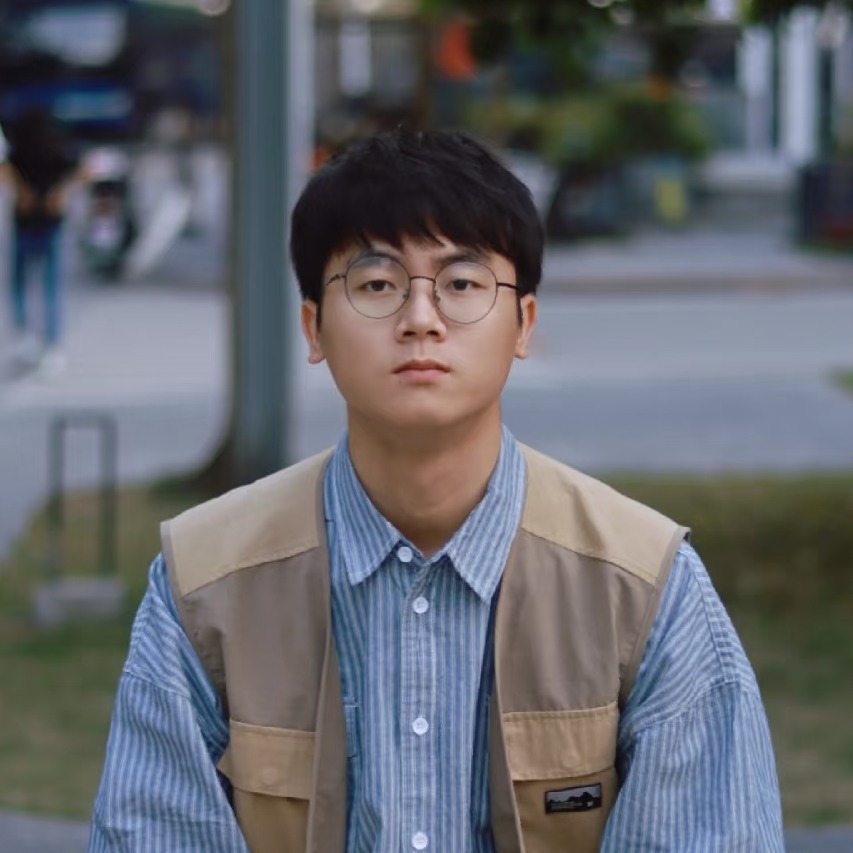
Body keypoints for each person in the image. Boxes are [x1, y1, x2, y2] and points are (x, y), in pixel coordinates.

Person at [88, 129, 784, 852]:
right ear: (313, 327)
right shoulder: (204, 585)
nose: (420, 320)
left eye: (461, 284)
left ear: (523, 324)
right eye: (377, 285)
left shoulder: (644, 587)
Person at [3, 107, 82, 377]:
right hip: (37, 223)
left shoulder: (28, 150)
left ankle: (42, 341)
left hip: (39, 223)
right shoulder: (54, 148)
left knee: (34, 284)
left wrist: (53, 194)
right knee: (38, 284)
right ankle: (41, 342)